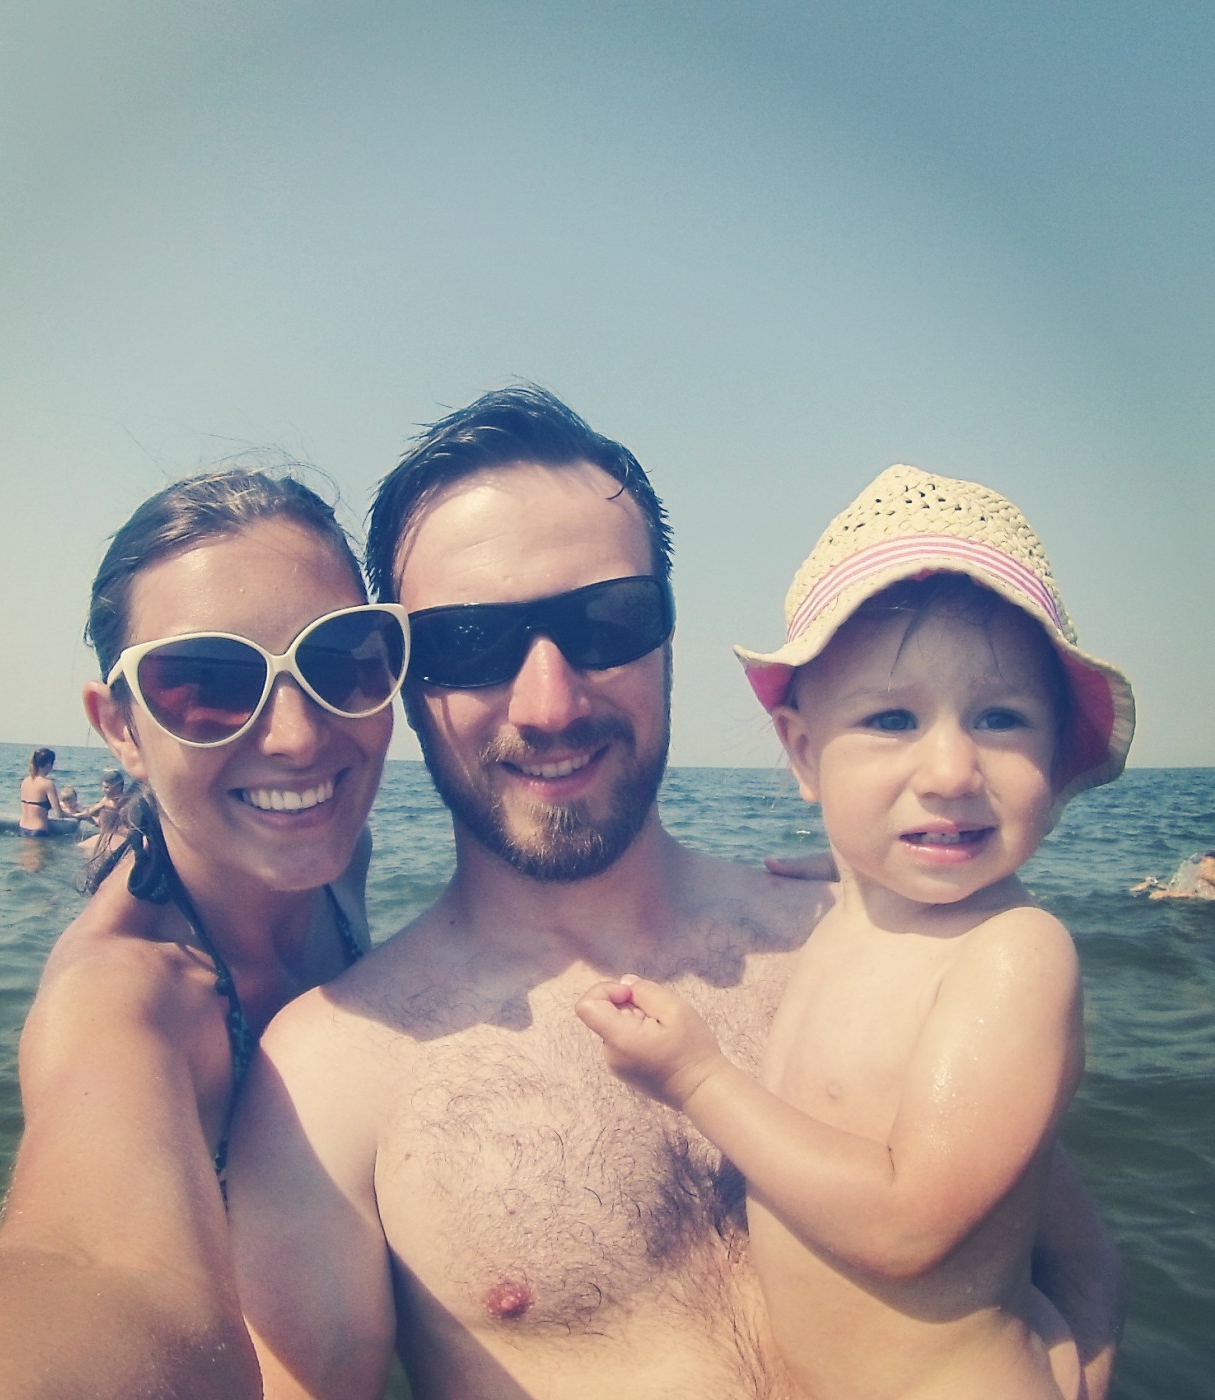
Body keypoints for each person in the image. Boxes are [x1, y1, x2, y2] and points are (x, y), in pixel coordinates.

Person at [227, 387, 1123, 1400]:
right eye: (468, 641)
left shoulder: (880, 942)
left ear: (666, 633)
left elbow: (1071, 1269)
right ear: (400, 674)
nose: (549, 703)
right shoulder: (329, 1075)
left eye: (604, 621)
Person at [0, 469, 409, 1400]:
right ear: (121, 728)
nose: (300, 737)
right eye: (208, 684)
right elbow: (88, 1267)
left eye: (342, 662)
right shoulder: (126, 996)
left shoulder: (342, 852)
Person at [577, 466, 1137, 1400]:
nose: (951, 770)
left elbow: (909, 1224)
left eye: (1001, 718)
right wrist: (855, 871)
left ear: (1053, 751)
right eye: (892, 719)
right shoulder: (865, 910)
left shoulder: (1016, 954)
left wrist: (698, 1078)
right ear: (805, 754)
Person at [18, 747, 73, 836]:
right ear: (48, 764)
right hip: (38, 831)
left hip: (22, 828)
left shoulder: (25, 781)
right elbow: (58, 813)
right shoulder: (48, 784)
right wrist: (76, 815)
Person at [1131, 850, 1215, 900]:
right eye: (1201, 861)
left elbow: (1206, 897)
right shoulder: (1203, 882)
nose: (1200, 864)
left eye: (1204, 862)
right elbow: (1193, 892)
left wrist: (1170, 894)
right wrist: (1152, 885)